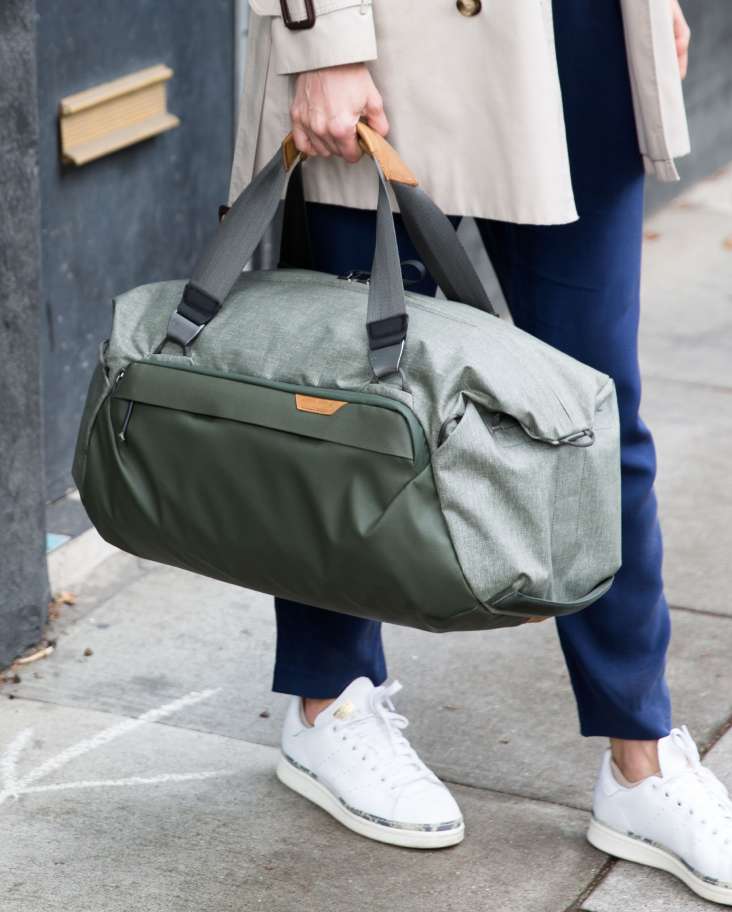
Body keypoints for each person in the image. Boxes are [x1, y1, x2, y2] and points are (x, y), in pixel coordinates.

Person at [231, 0, 732, 904]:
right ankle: (327, 699)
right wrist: (320, 39)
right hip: (387, 35)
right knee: (347, 401)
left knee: (594, 408)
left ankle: (643, 757)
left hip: (579, 33)